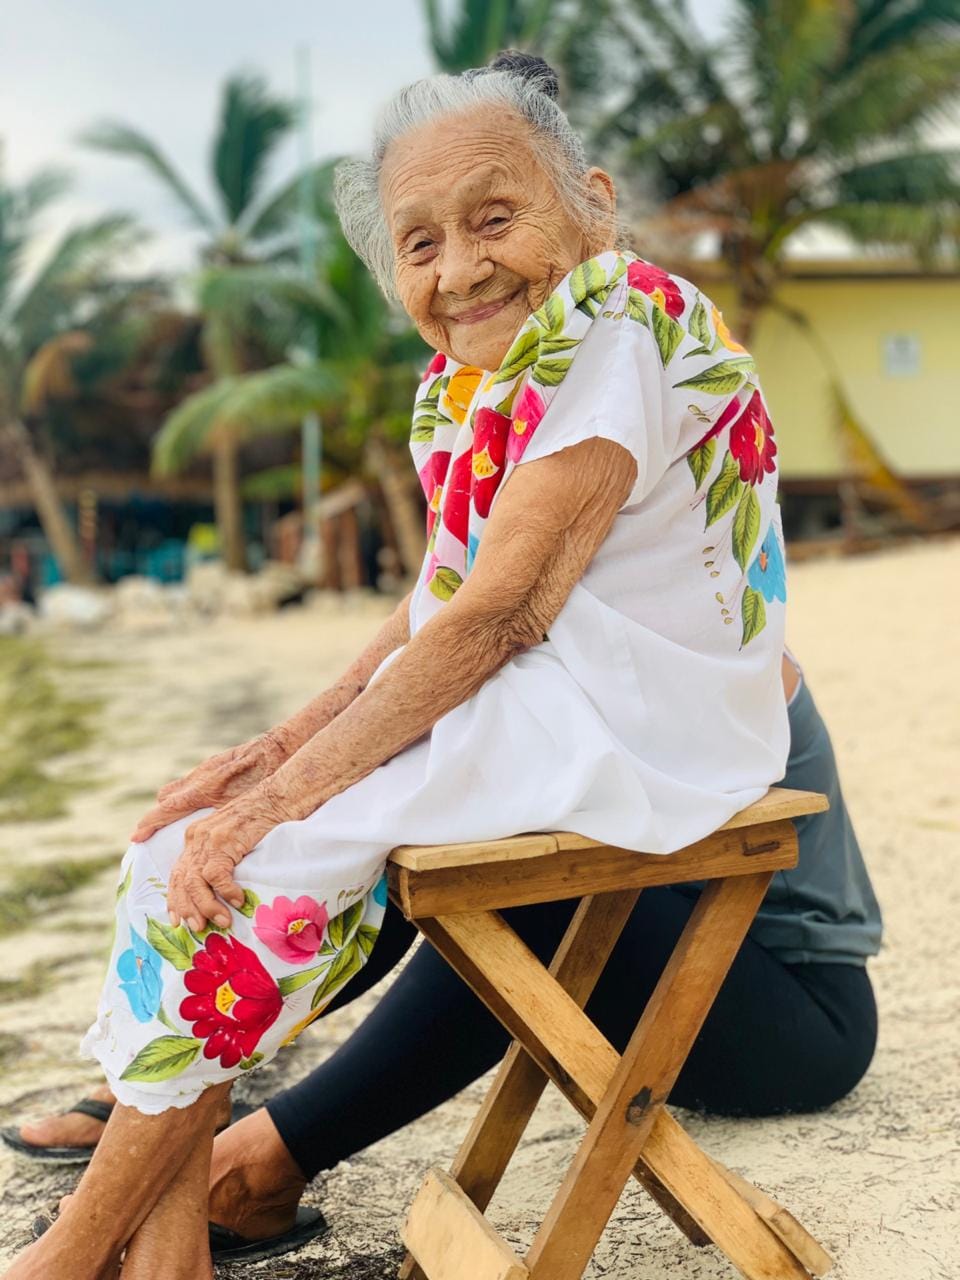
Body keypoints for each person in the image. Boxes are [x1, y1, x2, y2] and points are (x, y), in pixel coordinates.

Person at [2, 52, 879, 1279]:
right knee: (207, 843)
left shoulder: (624, 322)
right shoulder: (499, 380)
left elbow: (495, 618)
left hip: (778, 991)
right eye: (419, 241)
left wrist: (279, 797)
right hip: (620, 804)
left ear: (593, 201)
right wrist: (265, 758)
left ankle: (115, 1222)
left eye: (496, 216)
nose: (459, 267)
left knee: (298, 855)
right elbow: (443, 606)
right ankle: (165, 1216)